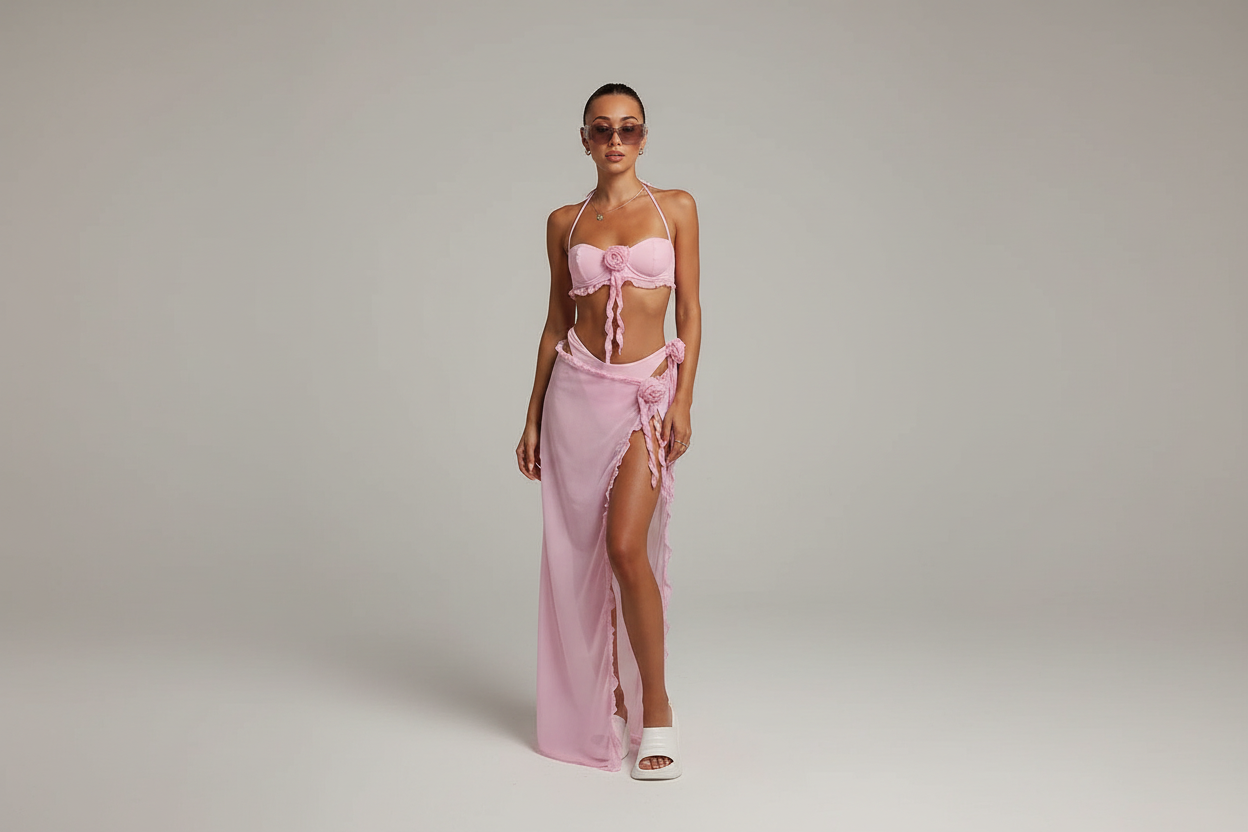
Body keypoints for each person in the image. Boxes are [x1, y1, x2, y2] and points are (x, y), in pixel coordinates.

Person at [515, 83, 701, 780]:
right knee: (581, 558)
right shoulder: (564, 222)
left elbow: (692, 312)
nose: (615, 140)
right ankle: (608, 697)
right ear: (585, 139)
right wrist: (531, 415)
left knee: (626, 547)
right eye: (602, 129)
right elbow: (554, 324)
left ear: (644, 137)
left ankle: (658, 709)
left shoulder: (675, 207)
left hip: (644, 397)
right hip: (574, 396)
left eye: (628, 128)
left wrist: (683, 399)